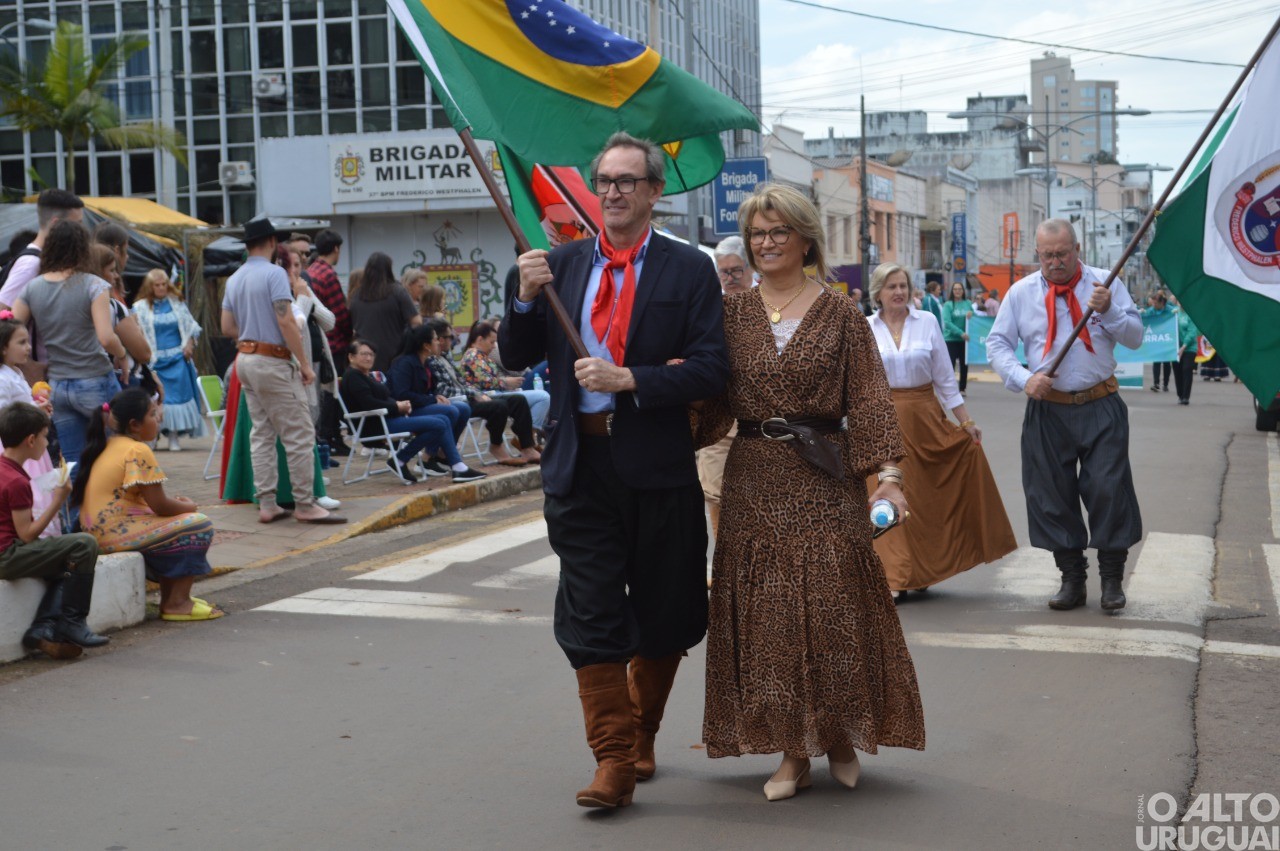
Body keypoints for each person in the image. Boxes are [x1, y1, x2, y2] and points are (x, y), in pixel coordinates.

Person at [500, 132, 731, 809]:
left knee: (668, 611)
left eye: (628, 180)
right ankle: (613, 759)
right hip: (580, 465)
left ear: (655, 191)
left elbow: (713, 369)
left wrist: (632, 378)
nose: (613, 192)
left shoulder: (689, 269)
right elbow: (514, 354)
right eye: (605, 180)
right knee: (591, 609)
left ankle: (641, 730)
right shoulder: (559, 264)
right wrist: (523, 297)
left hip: (657, 465)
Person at [693, 183, 924, 801]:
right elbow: (707, 400)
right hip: (754, 480)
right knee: (769, 620)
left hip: (825, 477)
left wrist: (890, 477)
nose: (766, 243)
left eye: (778, 232)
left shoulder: (841, 313)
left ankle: (840, 734)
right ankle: (794, 752)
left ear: (804, 240)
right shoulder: (730, 314)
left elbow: (869, 398)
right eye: (757, 234)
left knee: (832, 611)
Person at [987, 219, 1143, 612]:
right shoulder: (1021, 293)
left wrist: (1110, 311)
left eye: (1062, 254)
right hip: (1048, 409)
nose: (1055, 262)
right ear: (1037, 254)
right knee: (1051, 495)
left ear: (1077, 249)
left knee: (1108, 488)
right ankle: (1072, 579)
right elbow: (998, 344)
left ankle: (1112, 579)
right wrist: (1025, 379)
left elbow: (1135, 337)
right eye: (1047, 256)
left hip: (1100, 403)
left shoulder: (1105, 283)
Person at [866, 263, 1016, 598]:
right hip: (883, 422)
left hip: (925, 420)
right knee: (888, 492)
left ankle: (921, 571)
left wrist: (966, 422)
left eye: (903, 285)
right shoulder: (865, 327)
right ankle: (896, 576)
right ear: (878, 293)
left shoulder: (927, 322)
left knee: (924, 499)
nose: (899, 292)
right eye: (891, 286)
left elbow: (945, 379)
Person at [220, 216, 344, 525]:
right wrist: (304, 364)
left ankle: (267, 503)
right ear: (273, 242)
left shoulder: (234, 278)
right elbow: (286, 321)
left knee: (261, 433)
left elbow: (227, 327)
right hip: (273, 360)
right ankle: (304, 504)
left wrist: (251, 332)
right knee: (299, 434)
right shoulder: (275, 274)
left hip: (245, 358)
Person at [72, 388, 222, 621]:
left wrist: (179, 507)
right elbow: (160, 505)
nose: (158, 418)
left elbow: (152, 503)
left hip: (99, 532)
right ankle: (177, 602)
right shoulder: (137, 449)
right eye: (152, 414)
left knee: (177, 523)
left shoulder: (110, 444)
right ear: (134, 425)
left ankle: (171, 598)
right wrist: (189, 507)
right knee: (198, 525)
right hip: (112, 533)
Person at [12, 220, 127, 463]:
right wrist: (122, 354)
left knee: (74, 460)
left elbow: (10, 328)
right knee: (115, 451)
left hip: (58, 385)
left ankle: (77, 491)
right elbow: (106, 337)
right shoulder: (94, 285)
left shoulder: (32, 288)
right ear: (83, 249)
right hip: (94, 377)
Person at [0, 402, 107, 657]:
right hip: (7, 556)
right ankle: (73, 622)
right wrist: (59, 499)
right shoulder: (17, 481)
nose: (47, 443)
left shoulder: (6, 470)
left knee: (69, 566)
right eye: (45, 437)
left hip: (8, 550)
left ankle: (42, 628)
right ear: (30, 440)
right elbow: (27, 534)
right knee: (84, 544)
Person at [340, 339, 485, 484]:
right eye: (364, 354)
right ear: (351, 357)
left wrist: (399, 404)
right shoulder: (353, 376)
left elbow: (383, 398)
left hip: (387, 419)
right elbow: (369, 403)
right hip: (374, 425)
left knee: (442, 420)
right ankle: (452, 466)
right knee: (439, 423)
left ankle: (402, 460)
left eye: (371, 354)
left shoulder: (366, 375)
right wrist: (397, 406)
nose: (368, 358)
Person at [426, 317, 540, 467]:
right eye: (450, 337)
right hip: (460, 401)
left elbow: (462, 382)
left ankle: (527, 447)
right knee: (499, 406)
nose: (453, 340)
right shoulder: (442, 359)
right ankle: (496, 445)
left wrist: (476, 393)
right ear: (440, 340)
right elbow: (445, 390)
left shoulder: (446, 357)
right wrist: (476, 393)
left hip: (473, 396)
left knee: (518, 400)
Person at [700, 237, 753, 536]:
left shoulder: (768, 305)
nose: (730, 278)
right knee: (716, 495)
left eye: (736, 271)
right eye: (724, 272)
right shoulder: (710, 309)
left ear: (750, 268)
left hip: (760, 421)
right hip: (718, 418)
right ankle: (724, 561)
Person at [0, 315, 60, 536]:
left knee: (40, 488)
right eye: (21, 342)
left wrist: (37, 408)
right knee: (31, 490)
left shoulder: (16, 373)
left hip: (31, 443)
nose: (28, 347)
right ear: (3, 348)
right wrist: (34, 411)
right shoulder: (2, 378)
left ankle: (43, 534)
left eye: (27, 341)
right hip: (17, 445)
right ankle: (32, 533)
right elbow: (5, 415)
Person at [386, 323, 472, 476]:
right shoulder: (404, 363)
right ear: (426, 345)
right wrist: (432, 399)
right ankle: (438, 458)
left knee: (463, 408)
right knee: (450, 412)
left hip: (420, 406)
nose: (438, 342)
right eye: (435, 339)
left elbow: (429, 389)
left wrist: (436, 396)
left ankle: (436, 455)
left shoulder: (425, 362)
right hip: (406, 410)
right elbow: (402, 394)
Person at [132, 269, 204, 450]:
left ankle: (174, 436)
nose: (161, 288)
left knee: (175, 399)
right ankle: (153, 435)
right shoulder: (140, 307)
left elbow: (191, 326)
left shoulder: (177, 304)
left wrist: (189, 344)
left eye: (164, 284)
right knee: (156, 399)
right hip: (154, 362)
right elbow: (135, 332)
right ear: (150, 287)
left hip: (177, 359)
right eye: (157, 285)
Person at [0, 188, 84, 314]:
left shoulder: (44, 259)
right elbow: (2, 309)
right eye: (77, 224)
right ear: (56, 224)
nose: (82, 231)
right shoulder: (30, 264)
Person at [460, 320, 551, 430]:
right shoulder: (473, 355)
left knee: (543, 395)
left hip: (497, 393)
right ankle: (530, 432)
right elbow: (486, 381)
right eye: (492, 342)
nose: (494, 346)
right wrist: (506, 382)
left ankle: (529, 432)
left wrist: (506, 382)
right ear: (480, 340)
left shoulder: (481, 356)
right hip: (487, 396)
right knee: (543, 397)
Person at [306, 229, 350, 454]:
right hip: (334, 342)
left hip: (317, 341)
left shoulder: (310, 271)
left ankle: (324, 437)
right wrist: (350, 336)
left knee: (321, 394)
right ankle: (332, 437)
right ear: (336, 248)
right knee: (333, 393)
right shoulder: (328, 274)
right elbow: (340, 313)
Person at [349, 252, 420, 374]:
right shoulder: (397, 291)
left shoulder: (357, 295)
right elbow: (416, 322)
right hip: (395, 355)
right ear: (389, 269)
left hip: (366, 356)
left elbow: (352, 325)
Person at [940, 281, 973, 394]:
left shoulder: (968, 303)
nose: (957, 291)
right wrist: (960, 333)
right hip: (951, 339)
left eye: (960, 289)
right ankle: (949, 388)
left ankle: (962, 388)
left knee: (964, 364)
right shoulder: (948, 305)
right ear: (952, 291)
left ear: (963, 291)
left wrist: (972, 314)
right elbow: (947, 322)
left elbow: (975, 319)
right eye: (955, 289)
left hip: (965, 340)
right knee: (950, 365)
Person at [1141, 291, 1175, 392]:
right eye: (1153, 303)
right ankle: (1156, 383)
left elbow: (1176, 314)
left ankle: (1165, 384)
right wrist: (1141, 313)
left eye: (1155, 303)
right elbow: (1145, 317)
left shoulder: (1170, 310)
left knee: (1166, 362)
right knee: (1156, 361)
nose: (1154, 305)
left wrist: (1176, 313)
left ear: (1162, 303)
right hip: (1157, 338)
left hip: (1167, 338)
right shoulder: (1151, 310)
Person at [1170, 294, 1199, 406]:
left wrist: (1183, 347)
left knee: (1187, 369)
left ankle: (1186, 396)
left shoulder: (1191, 314)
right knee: (1177, 371)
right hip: (1175, 347)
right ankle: (1180, 394)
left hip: (1189, 348)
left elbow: (1192, 332)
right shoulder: (1174, 312)